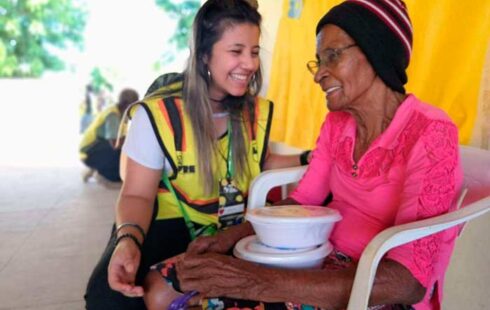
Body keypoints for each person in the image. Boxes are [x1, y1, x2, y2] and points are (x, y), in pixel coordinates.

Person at [167, 1, 463, 309]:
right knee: (180, 284)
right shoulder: (338, 124)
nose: (319, 74)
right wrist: (228, 237)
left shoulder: (431, 132)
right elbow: (303, 199)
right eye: (318, 61)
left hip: (374, 293)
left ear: (377, 51)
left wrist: (254, 280)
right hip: (315, 258)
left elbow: (407, 282)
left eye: (333, 56)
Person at [84, 0, 310, 309]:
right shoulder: (158, 115)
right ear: (204, 54)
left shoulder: (255, 111)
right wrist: (128, 240)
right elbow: (136, 194)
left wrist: (309, 158)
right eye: (236, 51)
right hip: (169, 224)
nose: (250, 64)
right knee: (109, 299)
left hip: (231, 229)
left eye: (254, 52)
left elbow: (263, 162)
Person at [79, 88, 139, 185]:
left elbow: (123, 136)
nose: (134, 109)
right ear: (124, 103)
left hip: (97, 148)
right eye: (133, 105)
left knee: (126, 154)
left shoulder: (121, 112)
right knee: (119, 172)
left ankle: (96, 167)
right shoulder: (113, 115)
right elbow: (115, 144)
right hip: (89, 152)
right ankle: (101, 174)